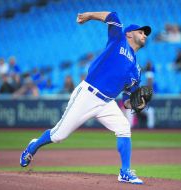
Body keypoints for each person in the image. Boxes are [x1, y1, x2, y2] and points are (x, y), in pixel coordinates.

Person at [20, 11, 151, 185]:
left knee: (124, 127)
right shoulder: (118, 40)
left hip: (106, 102)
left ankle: (125, 171)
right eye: (141, 31)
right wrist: (88, 15)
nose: (144, 35)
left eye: (146, 34)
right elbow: (113, 16)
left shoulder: (137, 70)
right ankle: (33, 146)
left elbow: (127, 98)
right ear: (129, 33)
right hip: (88, 94)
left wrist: (135, 105)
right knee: (59, 135)